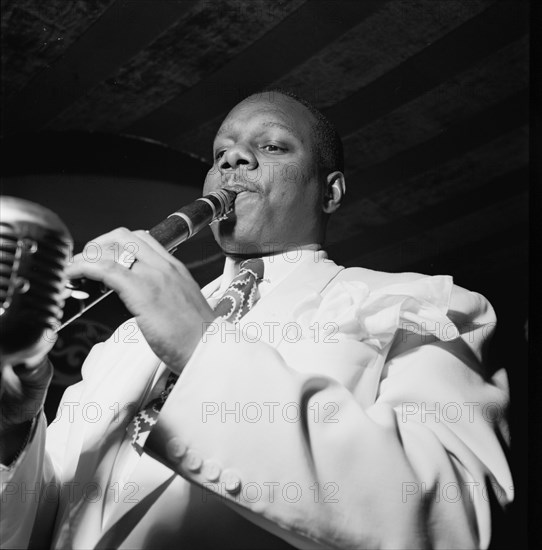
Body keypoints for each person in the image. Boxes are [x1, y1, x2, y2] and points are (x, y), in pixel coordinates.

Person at [0, 90, 513, 549]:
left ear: (330, 192)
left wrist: (201, 349)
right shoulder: (128, 337)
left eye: (271, 147)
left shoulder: (427, 304)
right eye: (220, 154)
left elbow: (453, 523)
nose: (233, 160)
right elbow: (44, 524)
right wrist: (15, 429)